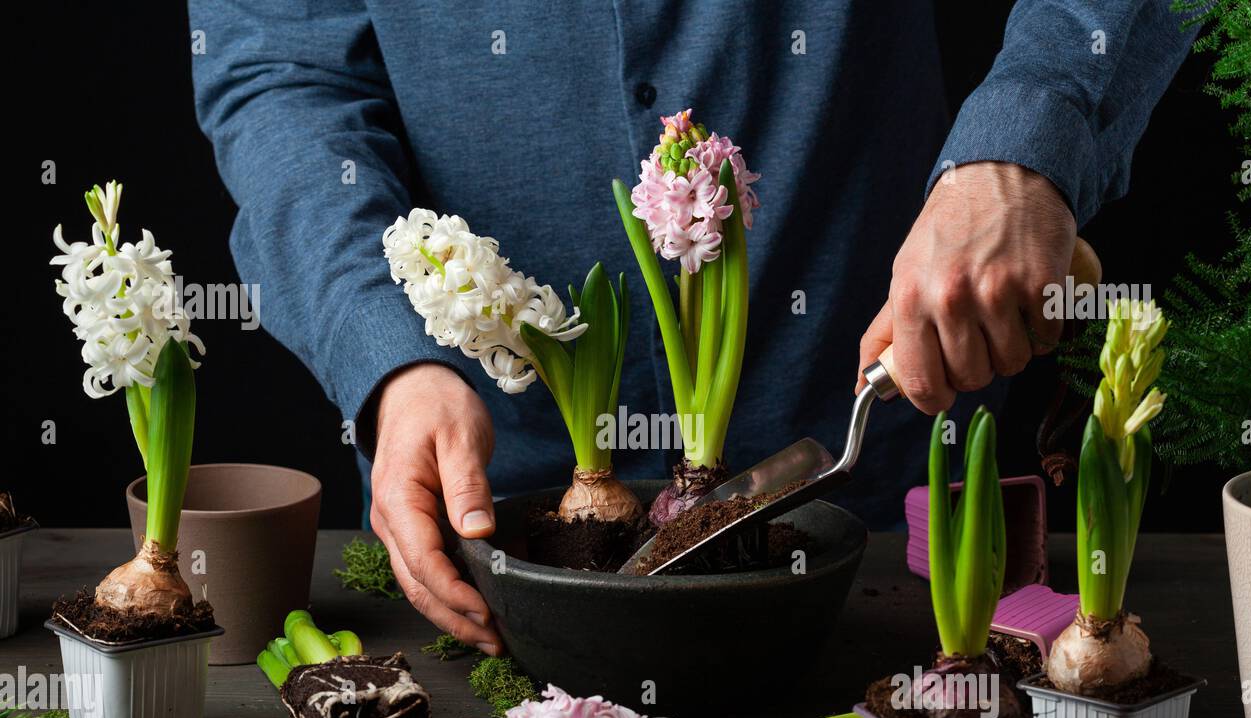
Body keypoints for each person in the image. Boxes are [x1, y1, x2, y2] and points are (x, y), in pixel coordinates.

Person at [190, 1, 1195, 654]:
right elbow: (280, 69)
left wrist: (1027, 139)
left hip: (880, 549)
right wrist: (386, 354)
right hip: (490, 560)